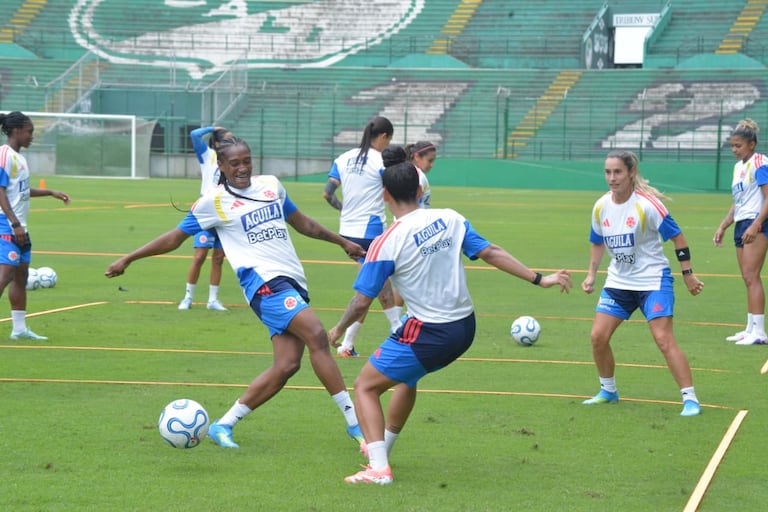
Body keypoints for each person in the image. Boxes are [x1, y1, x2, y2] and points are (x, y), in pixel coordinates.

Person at [105, 136, 367, 450]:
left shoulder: (271, 185)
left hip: (293, 281)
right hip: (264, 285)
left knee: (287, 365)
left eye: (247, 161)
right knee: (317, 335)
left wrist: (342, 242)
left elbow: (303, 223)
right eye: (235, 163)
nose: (242, 168)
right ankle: (355, 423)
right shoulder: (212, 202)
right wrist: (129, 258)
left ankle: (223, 424)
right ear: (222, 165)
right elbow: (174, 238)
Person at [327, 160, 572, 484]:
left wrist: (339, 329)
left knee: (365, 386)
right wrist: (540, 279)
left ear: (384, 195)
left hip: (429, 332)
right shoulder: (450, 219)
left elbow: (362, 300)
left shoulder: (386, 242)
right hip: (465, 327)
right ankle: (382, 448)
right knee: (407, 378)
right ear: (419, 189)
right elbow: (490, 252)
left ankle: (378, 468)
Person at [581, 150, 704, 417]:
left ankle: (690, 399)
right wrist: (591, 274)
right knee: (597, 337)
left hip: (652, 281)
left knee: (663, 339)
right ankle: (608, 391)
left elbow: (679, 238)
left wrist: (688, 274)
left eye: (617, 172)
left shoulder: (647, 205)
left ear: (630, 173)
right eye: (607, 172)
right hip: (618, 282)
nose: (612, 178)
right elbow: (596, 241)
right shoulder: (600, 206)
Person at [323, 116, 402, 357]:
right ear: (384, 137)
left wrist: (344, 210)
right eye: (388, 140)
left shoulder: (343, 158)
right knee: (383, 282)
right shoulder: (381, 161)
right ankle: (398, 330)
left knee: (374, 283)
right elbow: (393, 191)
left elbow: (328, 194)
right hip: (370, 230)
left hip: (347, 233)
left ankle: (348, 344)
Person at [0, 111, 70, 340]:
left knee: (21, 275)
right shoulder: (5, 155)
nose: (32, 136)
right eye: (30, 132)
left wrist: (50, 192)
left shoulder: (20, 158)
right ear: (17, 131)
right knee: (6, 274)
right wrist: (14, 223)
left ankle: (19, 330)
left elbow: (19, 191)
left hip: (21, 227)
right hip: (6, 224)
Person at [713, 119, 768, 345]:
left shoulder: (760, 163)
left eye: (739, 146)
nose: (734, 150)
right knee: (746, 277)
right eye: (732, 146)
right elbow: (738, 201)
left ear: (751, 144)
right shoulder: (738, 168)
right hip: (742, 223)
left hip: (757, 223)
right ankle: (750, 328)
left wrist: (757, 224)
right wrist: (723, 225)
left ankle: (760, 332)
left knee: (752, 276)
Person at [178, 126, 230, 311]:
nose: (230, 143)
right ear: (216, 143)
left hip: (224, 212)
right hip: (206, 211)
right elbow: (193, 134)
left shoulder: (232, 159)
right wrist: (213, 128)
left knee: (218, 258)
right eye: (226, 139)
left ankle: (213, 300)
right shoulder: (208, 155)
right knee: (199, 255)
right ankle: (188, 297)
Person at [405, 140, 437, 209]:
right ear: (417, 157)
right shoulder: (417, 176)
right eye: (430, 160)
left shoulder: (411, 173)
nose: (432, 165)